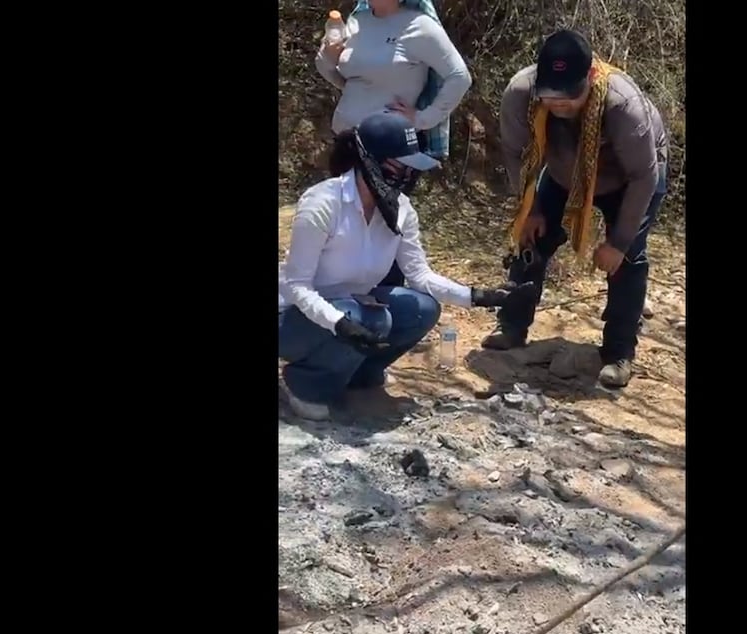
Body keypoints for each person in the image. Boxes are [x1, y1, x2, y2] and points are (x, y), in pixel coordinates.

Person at [278, 113, 534, 421]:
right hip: (292, 319)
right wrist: (339, 322)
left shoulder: (401, 209)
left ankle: (358, 375)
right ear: (369, 161)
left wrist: (479, 296)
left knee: (422, 309)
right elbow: (298, 285)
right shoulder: (323, 203)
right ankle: (305, 385)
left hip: (352, 307)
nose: (408, 175)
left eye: (412, 167)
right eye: (401, 165)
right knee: (372, 318)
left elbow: (419, 275)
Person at [484, 29, 670, 389]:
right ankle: (511, 325)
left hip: (631, 177)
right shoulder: (521, 93)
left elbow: (643, 176)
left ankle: (618, 353)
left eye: (570, 93)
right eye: (550, 94)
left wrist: (618, 242)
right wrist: (531, 208)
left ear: (590, 76)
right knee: (531, 238)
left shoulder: (623, 105)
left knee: (627, 258)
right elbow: (515, 154)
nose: (559, 103)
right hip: (563, 171)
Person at [315, 0, 471, 289]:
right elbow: (328, 68)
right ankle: (341, 298)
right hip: (347, 141)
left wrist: (423, 118)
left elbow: (459, 76)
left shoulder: (419, 26)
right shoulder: (357, 21)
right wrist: (330, 55)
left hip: (390, 149)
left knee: (382, 226)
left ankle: (389, 301)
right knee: (344, 225)